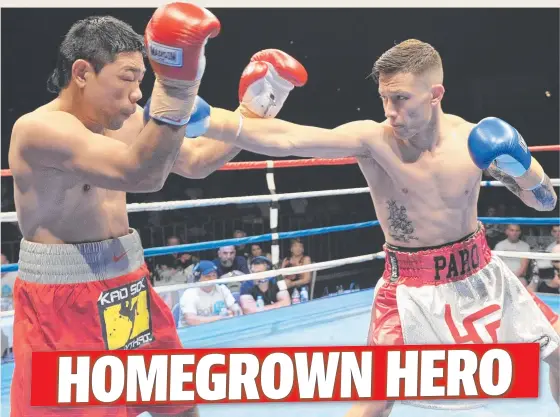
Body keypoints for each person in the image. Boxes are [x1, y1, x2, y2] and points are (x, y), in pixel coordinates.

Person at [190, 39, 560, 414]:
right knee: (376, 398)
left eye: (401, 98)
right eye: (384, 98)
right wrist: (209, 120)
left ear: (435, 94)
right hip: (410, 288)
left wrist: (523, 167)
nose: (390, 111)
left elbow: (544, 201)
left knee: (558, 350)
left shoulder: (472, 139)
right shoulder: (373, 139)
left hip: (481, 272)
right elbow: (289, 138)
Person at [7, 3, 307, 416]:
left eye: (143, 79)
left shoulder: (125, 119)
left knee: (177, 405)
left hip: (128, 286)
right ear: (81, 73)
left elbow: (198, 160)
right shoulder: (40, 129)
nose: (136, 94)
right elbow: (139, 175)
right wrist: (178, 87)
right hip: (62, 303)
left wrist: (255, 108)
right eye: (127, 78)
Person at [179, 260, 242, 326]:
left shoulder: (222, 289)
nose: (212, 279)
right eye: (207, 276)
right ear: (198, 278)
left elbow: (236, 310)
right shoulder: (189, 294)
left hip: (219, 330)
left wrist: (235, 313)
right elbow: (191, 320)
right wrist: (220, 318)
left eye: (214, 275)